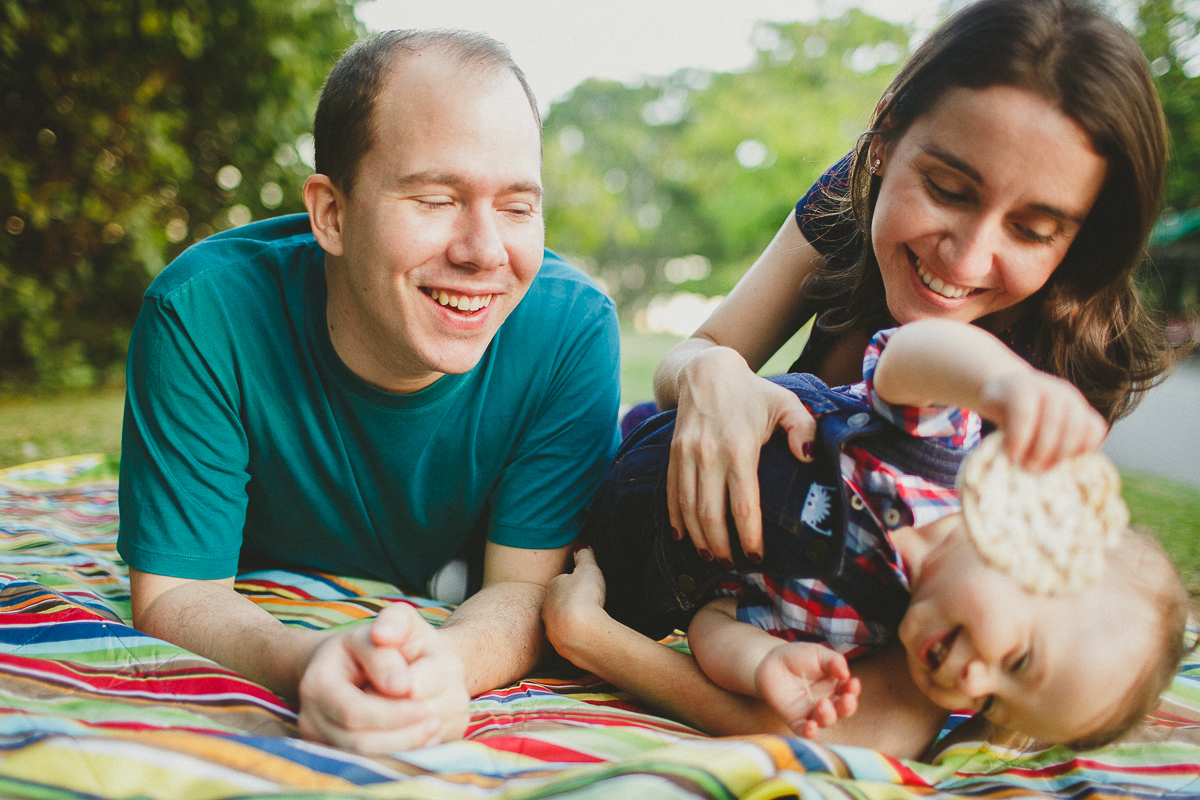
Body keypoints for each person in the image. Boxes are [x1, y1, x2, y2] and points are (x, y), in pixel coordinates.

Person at [545, 0, 1183, 758]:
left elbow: (875, 722)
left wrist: (596, 641)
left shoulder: (1015, 463)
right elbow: (701, 356)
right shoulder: (960, 392)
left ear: (1077, 239)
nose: (968, 259)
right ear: (883, 142)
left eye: (1033, 229)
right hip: (628, 459)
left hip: (664, 576)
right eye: (948, 188)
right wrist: (717, 373)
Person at [116, 30, 621, 754]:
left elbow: (521, 589)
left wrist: (441, 671)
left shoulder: (570, 329)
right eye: (437, 198)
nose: (483, 251)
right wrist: (307, 661)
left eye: (516, 207)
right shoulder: (204, 313)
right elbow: (175, 592)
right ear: (331, 214)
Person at [546, 320, 1189, 756]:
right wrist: (1001, 383)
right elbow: (908, 359)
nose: (972, 682)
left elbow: (714, 621)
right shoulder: (933, 455)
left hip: (610, 563)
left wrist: (761, 663)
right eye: (1017, 661)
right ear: (1050, 544)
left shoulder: (854, 633)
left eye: (990, 706)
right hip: (635, 436)